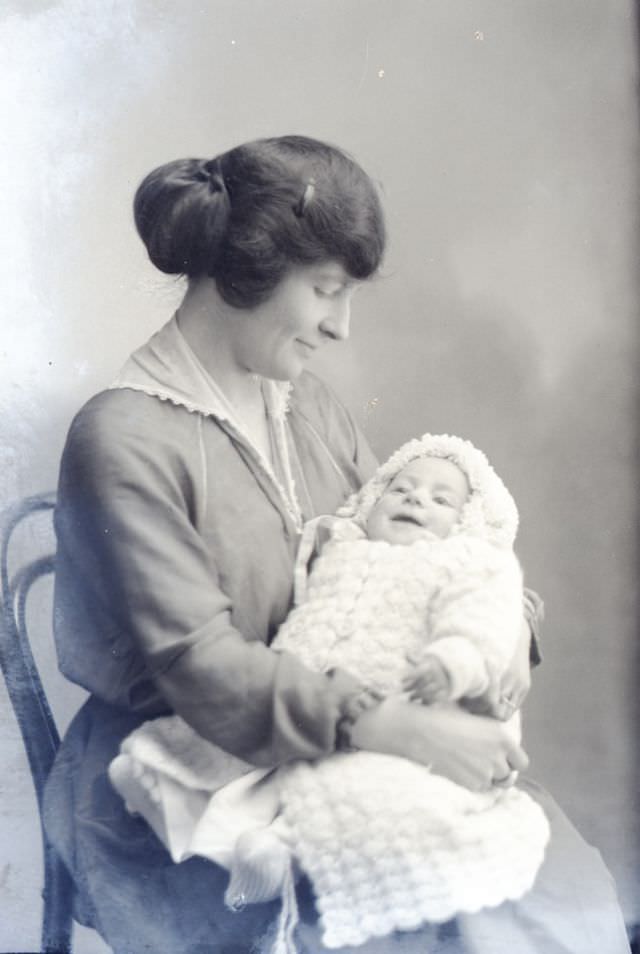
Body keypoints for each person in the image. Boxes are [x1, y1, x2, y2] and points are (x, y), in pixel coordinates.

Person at [42, 134, 630, 954]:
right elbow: (202, 669)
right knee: (419, 920)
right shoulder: (123, 437)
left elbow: (408, 553)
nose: (342, 327)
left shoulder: (306, 406)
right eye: (325, 291)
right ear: (244, 271)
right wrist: (398, 728)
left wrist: (493, 634)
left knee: (539, 886)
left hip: (340, 752)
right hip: (176, 782)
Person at [108, 432, 551, 952]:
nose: (414, 499)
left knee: (379, 791)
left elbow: (480, 611)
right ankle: (256, 830)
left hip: (416, 711)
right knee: (200, 761)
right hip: (304, 700)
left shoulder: (459, 560)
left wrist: (460, 658)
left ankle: (285, 848)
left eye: (440, 499)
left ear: (468, 521)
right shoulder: (340, 545)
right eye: (402, 488)